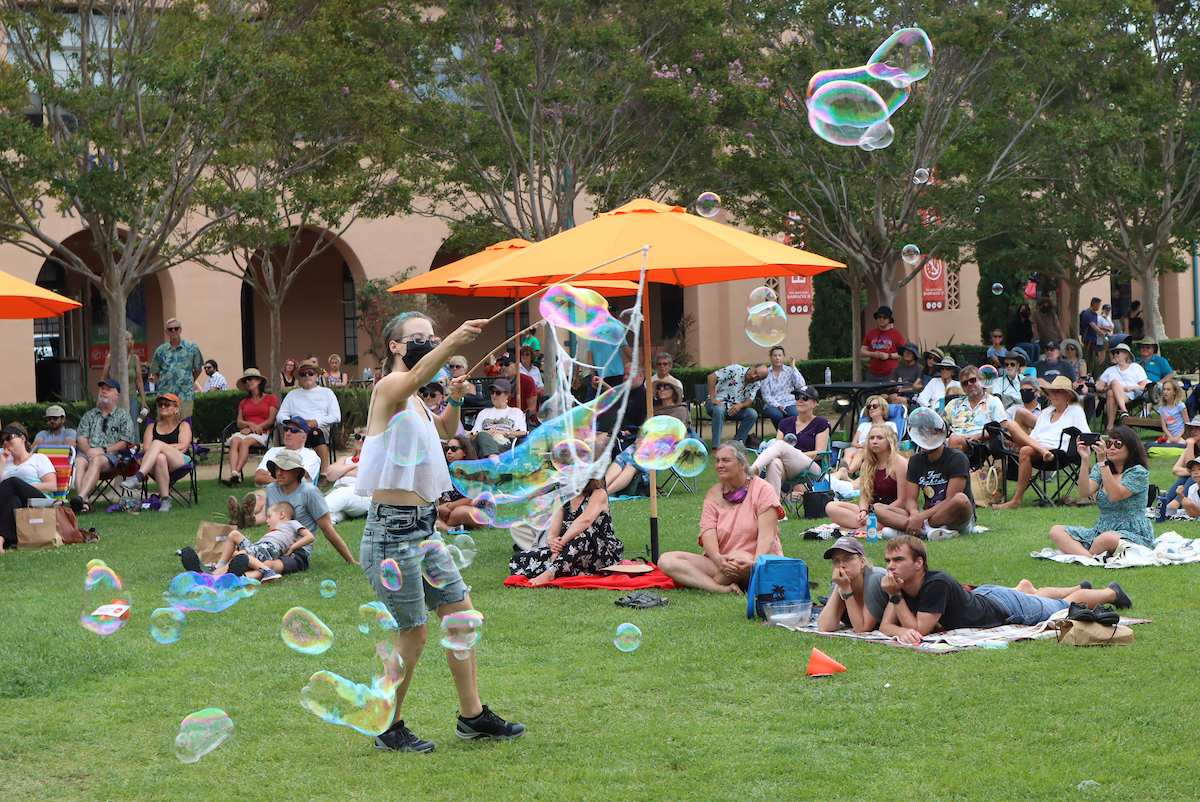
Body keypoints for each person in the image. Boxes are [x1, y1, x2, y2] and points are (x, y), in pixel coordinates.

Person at [356, 309, 524, 752]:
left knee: (461, 616)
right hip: (391, 532)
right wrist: (450, 342)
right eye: (419, 337)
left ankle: (472, 717)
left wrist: (453, 396)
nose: (429, 341)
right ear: (395, 346)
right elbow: (411, 380)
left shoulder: (415, 402)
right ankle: (387, 727)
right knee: (414, 632)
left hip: (425, 530)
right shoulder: (389, 388)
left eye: (432, 336)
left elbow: (447, 428)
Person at [879, 535, 1131, 643]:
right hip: (986, 596)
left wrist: (895, 599)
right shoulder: (898, 587)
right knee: (1032, 597)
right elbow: (884, 627)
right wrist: (900, 628)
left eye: (898, 560)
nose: (891, 567)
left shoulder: (934, 583)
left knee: (1063, 608)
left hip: (1005, 608)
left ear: (918, 562)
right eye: (888, 561)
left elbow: (919, 629)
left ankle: (1110, 592)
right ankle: (1035, 588)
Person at [659, 441, 784, 594]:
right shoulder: (713, 493)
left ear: (742, 463)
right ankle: (719, 588)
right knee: (666, 560)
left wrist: (756, 566)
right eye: (717, 460)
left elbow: (766, 537)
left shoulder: (763, 489)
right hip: (722, 563)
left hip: (756, 563)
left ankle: (712, 581)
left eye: (726, 460)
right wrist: (718, 560)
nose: (719, 465)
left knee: (737, 559)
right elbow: (708, 534)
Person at [1050, 425, 1154, 555]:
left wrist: (1103, 462)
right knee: (1056, 530)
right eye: (1109, 443)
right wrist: (1085, 459)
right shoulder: (1102, 468)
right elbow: (1084, 492)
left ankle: (1085, 555)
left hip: (1132, 532)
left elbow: (1115, 495)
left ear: (1132, 448)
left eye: (1118, 444)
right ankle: (1090, 558)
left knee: (1105, 539)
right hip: (1101, 529)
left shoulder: (1138, 472)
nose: (1111, 447)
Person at [992, 376, 1090, 509]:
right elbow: (1033, 436)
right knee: (1012, 426)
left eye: (1058, 391)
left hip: (1059, 452)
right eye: (1052, 391)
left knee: (1025, 450)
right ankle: (1042, 451)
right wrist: (1040, 448)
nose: (1053, 394)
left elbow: (1085, 434)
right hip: (1040, 450)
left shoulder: (1075, 411)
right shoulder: (1046, 412)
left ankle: (1016, 501)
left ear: (1067, 395)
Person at [874, 410, 975, 539]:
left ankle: (919, 529)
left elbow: (951, 499)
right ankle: (927, 532)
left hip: (953, 516)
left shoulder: (957, 458)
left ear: (940, 435)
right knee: (877, 508)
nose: (924, 438)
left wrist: (921, 517)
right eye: (921, 435)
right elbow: (910, 499)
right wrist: (915, 514)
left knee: (960, 499)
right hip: (928, 515)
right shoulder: (915, 460)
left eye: (929, 434)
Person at [509, 478, 623, 585]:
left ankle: (551, 573)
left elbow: (585, 520)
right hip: (569, 550)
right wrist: (552, 543)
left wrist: (562, 542)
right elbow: (553, 532)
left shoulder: (598, 493)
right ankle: (575, 571)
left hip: (600, 551)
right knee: (518, 559)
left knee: (582, 532)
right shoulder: (562, 496)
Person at [184, 501, 313, 583]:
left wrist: (291, 548)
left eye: (269, 516)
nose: (267, 521)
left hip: (269, 548)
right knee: (234, 535)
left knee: (240, 555)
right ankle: (210, 576)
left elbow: (309, 537)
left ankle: (266, 571)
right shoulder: (274, 530)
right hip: (259, 547)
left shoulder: (292, 523)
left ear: (282, 514)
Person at [749, 386, 830, 501]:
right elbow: (778, 450)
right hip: (788, 467)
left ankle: (754, 470)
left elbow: (820, 453)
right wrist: (788, 454)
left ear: (814, 403)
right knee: (774, 463)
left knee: (781, 445)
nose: (800, 400)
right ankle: (776, 509)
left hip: (811, 466)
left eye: (805, 398)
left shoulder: (821, 423)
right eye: (797, 397)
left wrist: (793, 453)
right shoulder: (785, 423)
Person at [72, 379, 139, 514]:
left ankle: (81, 497)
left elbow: (125, 442)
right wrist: (90, 451)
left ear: (117, 396)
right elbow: (81, 439)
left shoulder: (124, 417)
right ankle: (84, 504)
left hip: (112, 457)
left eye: (108, 389)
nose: (104, 391)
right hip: (88, 454)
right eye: (102, 388)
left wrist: (102, 450)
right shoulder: (89, 416)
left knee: (97, 459)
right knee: (78, 460)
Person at [119, 392, 192, 512]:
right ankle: (166, 500)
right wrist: (163, 450)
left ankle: (138, 477)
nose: (163, 406)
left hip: (178, 460)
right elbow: (147, 449)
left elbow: (183, 446)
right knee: (160, 458)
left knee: (157, 443)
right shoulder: (151, 427)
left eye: (167, 404)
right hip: (154, 463)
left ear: (177, 409)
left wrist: (161, 447)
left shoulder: (183, 425)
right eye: (160, 404)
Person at [825, 425, 907, 530]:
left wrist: (876, 513)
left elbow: (902, 500)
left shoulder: (899, 463)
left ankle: (851, 529)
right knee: (831, 507)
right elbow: (864, 496)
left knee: (876, 518)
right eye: (871, 438)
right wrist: (863, 511)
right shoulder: (867, 465)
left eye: (880, 438)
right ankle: (863, 526)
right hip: (872, 509)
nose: (874, 441)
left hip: (894, 511)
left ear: (889, 440)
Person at [277, 359, 342, 482]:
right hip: (297, 428)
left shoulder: (327, 393)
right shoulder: (292, 395)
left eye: (310, 373)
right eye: (303, 374)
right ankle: (291, 471)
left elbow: (336, 416)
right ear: (299, 378)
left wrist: (316, 422)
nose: (307, 376)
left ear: (316, 376)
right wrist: (296, 423)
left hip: (320, 428)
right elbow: (281, 415)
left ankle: (323, 474)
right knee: (292, 433)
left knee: (315, 432)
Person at [0, 424, 57, 552]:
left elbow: (52, 485)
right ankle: (2, 541)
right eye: (2, 440)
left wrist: (21, 487)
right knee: (13, 499)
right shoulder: (4, 463)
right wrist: (2, 464)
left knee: (14, 483)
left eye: (9, 437)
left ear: (22, 439)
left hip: (39, 501)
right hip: (18, 504)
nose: (5, 442)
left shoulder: (38, 458)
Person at [816, 537, 889, 633]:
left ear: (862, 562)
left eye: (847, 558)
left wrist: (846, 590)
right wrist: (840, 586)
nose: (841, 565)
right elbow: (825, 626)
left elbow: (862, 629)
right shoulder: (839, 581)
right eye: (836, 561)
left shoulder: (875, 578)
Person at [221, 368, 279, 487]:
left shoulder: (270, 398)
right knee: (236, 440)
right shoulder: (244, 402)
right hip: (246, 432)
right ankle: (234, 473)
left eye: (250, 379)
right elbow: (239, 422)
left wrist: (253, 428)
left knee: (244, 442)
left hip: (262, 433)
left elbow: (271, 420)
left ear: (259, 380)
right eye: (245, 380)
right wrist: (249, 425)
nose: (248, 382)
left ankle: (234, 475)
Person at [147, 318, 204, 420]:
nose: (173, 331)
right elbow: (156, 371)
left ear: (180, 330)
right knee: (165, 427)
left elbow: (198, 369)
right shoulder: (161, 350)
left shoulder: (192, 348)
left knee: (184, 426)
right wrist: (168, 379)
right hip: (166, 395)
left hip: (185, 395)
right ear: (166, 332)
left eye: (176, 328)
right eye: (170, 329)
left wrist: (188, 381)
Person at [942, 365, 1005, 456]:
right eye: (965, 383)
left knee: (954, 440)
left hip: (978, 445)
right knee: (929, 443)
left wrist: (978, 436)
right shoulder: (954, 404)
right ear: (963, 388)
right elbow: (940, 424)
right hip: (951, 441)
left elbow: (1003, 428)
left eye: (973, 380)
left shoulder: (993, 401)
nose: (969, 384)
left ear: (981, 380)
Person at [705, 362, 768, 449]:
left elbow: (749, 401)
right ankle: (716, 447)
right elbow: (711, 377)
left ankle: (736, 446)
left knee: (752, 414)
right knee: (719, 410)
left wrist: (740, 405)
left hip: (734, 409)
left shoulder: (756, 384)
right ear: (752, 367)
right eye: (755, 372)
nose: (754, 376)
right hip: (717, 404)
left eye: (758, 377)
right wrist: (713, 398)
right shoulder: (735, 369)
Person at [838, 394, 897, 475]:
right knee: (848, 450)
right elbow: (853, 442)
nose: (871, 408)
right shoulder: (864, 425)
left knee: (860, 451)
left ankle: (846, 472)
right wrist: (859, 445)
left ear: (883, 409)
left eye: (875, 406)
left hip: (877, 450)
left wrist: (868, 446)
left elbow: (893, 442)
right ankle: (843, 471)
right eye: (869, 407)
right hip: (860, 448)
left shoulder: (890, 425)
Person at [438, 436, 486, 531]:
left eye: (454, 449)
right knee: (429, 514)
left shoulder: (475, 470)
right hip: (452, 511)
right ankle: (449, 529)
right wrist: (439, 509)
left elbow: (470, 499)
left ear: (465, 452)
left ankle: (443, 525)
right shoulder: (446, 472)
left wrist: (447, 508)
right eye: (447, 449)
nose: (449, 452)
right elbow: (436, 498)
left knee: (459, 512)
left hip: (478, 512)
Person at [323, 428, 371, 525]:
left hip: (361, 495)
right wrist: (354, 465)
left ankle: (313, 515)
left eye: (364, 439)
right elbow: (330, 475)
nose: (360, 440)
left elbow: (363, 474)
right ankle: (322, 523)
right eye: (358, 437)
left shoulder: (372, 460)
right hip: (339, 494)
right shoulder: (346, 459)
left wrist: (340, 471)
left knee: (342, 494)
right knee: (337, 514)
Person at [470, 378, 527, 457]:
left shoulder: (516, 412)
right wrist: (485, 435)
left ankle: (493, 461)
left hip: (503, 447)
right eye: (492, 392)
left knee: (491, 449)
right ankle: (497, 463)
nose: (494, 395)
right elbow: (473, 437)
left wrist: (500, 432)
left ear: (507, 395)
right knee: (482, 435)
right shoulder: (484, 412)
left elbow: (523, 433)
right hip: (483, 446)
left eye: (498, 393)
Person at [1096, 342, 1148, 429]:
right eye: (1114, 353)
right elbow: (1098, 387)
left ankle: (1110, 427)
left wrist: (1131, 388)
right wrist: (1107, 388)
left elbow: (1144, 386)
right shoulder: (1110, 370)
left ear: (1126, 354)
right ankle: (1123, 412)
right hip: (1111, 396)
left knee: (1114, 384)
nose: (1115, 355)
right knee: (1111, 390)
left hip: (1130, 396)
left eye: (1118, 352)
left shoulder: (1136, 367)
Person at [101, 330, 147, 417]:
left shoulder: (135, 358)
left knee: (133, 425)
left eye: (123, 340)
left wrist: (143, 400)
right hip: (114, 398)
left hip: (131, 397)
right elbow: (104, 378)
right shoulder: (110, 357)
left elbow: (139, 380)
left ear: (129, 344)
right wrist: (101, 397)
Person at [758, 346, 806, 429]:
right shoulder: (766, 374)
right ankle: (782, 435)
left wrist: (793, 367)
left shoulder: (789, 371)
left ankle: (791, 436)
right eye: (775, 355)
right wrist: (778, 405)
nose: (777, 358)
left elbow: (801, 385)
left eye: (780, 355)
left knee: (794, 414)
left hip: (789, 402)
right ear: (771, 358)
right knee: (777, 415)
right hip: (772, 405)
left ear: (784, 357)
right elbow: (766, 396)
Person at [860, 305, 906, 382]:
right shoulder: (870, 333)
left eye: (885, 317)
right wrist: (873, 354)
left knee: (889, 394)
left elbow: (903, 354)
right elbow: (862, 351)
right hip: (873, 373)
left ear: (889, 319)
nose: (882, 319)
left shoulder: (897, 334)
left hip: (891, 374)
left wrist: (888, 355)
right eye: (879, 317)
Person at [1081, 296, 1107, 370]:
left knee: (1097, 356)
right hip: (1088, 339)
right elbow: (1093, 326)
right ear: (1095, 304)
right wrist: (1103, 333)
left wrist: (1104, 328)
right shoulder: (1087, 313)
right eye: (1098, 305)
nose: (1099, 307)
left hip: (1094, 339)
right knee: (1092, 357)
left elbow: (1096, 325)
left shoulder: (1094, 314)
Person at [1157, 378, 1186, 443]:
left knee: (1181, 444)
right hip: (1170, 436)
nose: (1165, 392)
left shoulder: (1180, 406)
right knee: (1167, 445)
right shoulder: (1162, 408)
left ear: (1175, 392)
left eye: (1168, 389)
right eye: (1164, 389)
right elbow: (1164, 427)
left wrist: (1178, 437)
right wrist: (1171, 437)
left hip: (1181, 435)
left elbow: (1187, 424)